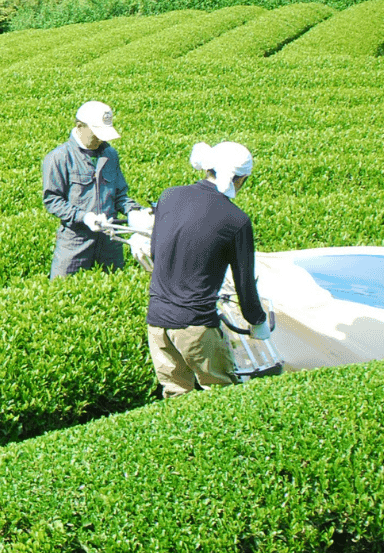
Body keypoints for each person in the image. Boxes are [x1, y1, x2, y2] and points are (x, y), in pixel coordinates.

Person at [146, 141, 271, 397]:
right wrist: (257, 321)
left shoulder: (169, 196)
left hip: (157, 322)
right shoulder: (236, 219)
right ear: (241, 179)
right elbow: (244, 285)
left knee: (175, 394)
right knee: (221, 396)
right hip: (196, 326)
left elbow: (156, 253)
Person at [42, 100, 143, 278]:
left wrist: (134, 211)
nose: (100, 138)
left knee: (114, 288)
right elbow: (53, 201)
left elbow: (119, 195)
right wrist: (84, 217)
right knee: (62, 289)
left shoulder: (110, 154)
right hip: (75, 240)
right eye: (96, 133)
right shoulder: (59, 158)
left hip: (110, 239)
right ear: (80, 126)